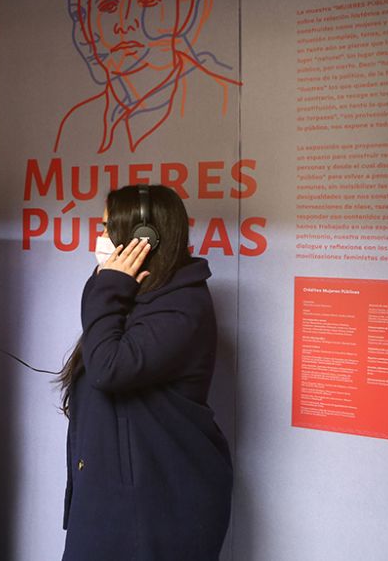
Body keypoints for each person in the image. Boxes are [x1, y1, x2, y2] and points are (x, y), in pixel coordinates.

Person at [58, 184, 232, 560]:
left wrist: (109, 283)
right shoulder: (135, 295)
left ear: (143, 239)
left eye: (106, 227)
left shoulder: (183, 306)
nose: (100, 238)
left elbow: (108, 368)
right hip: (113, 496)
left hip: (159, 505)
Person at [53, 0, 240, 155]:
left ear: (184, 9)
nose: (127, 22)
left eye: (148, 0)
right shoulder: (77, 122)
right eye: (108, 6)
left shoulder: (224, 100)